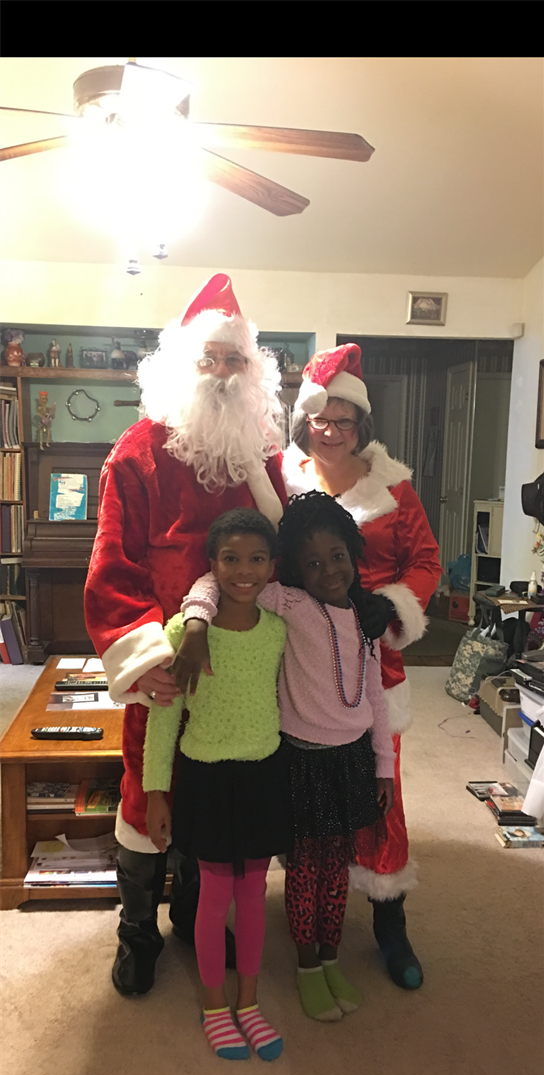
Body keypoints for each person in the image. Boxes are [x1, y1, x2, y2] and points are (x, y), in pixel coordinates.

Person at [83, 273, 288, 997]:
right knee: (149, 788)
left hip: (243, 660)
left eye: (236, 360)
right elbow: (112, 564)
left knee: (218, 789)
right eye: (211, 357)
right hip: (168, 658)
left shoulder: (263, 459)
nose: (224, 373)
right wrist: (146, 656)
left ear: (252, 373)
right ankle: (137, 928)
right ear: (183, 365)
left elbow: (288, 555)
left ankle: (196, 911)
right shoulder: (138, 451)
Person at [178, 491, 394, 1022]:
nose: (329, 570)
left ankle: (330, 955)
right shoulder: (290, 604)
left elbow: (376, 695)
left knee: (337, 867)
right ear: (294, 569)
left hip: (351, 761)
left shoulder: (364, 618)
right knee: (303, 868)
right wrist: (197, 623)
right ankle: (306, 965)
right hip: (301, 760)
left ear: (353, 554)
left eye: (337, 557)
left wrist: (384, 765)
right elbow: (217, 581)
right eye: (313, 563)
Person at [281, 344, 443, 990]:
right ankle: (308, 910)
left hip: (376, 666)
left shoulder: (393, 487)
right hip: (300, 663)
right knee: (306, 794)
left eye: (343, 420)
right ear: (304, 420)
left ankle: (389, 921)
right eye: (320, 418)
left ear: (361, 424)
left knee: (379, 793)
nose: (330, 431)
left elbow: (426, 562)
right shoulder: (281, 478)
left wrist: (392, 604)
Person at [143, 509, 291, 1061]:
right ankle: (213, 1005)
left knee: (253, 895)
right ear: (212, 564)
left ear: (272, 567)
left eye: (256, 559)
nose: (243, 571)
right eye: (231, 558)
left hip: (263, 775)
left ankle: (248, 1002)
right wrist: (156, 793)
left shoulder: (278, 631)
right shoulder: (182, 633)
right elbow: (164, 718)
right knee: (214, 897)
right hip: (205, 777)